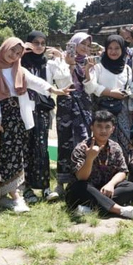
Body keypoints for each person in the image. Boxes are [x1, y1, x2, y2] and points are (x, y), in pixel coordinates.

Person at [0, 37, 71, 213]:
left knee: (16, 155)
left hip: (18, 118)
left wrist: (54, 90)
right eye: (12, 51)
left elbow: (35, 82)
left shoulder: (18, 69)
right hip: (0, 118)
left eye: (18, 53)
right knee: (5, 155)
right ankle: (14, 197)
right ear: (4, 48)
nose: (14, 55)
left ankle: (10, 195)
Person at [65, 110, 133, 219]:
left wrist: (111, 184)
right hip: (85, 191)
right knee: (79, 187)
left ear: (112, 129)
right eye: (99, 126)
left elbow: (122, 171)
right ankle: (119, 210)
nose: (103, 130)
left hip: (105, 190)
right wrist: (89, 158)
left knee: (130, 186)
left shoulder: (115, 147)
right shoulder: (82, 147)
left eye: (107, 127)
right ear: (92, 127)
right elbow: (81, 177)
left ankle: (91, 209)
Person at [47, 32, 95, 196]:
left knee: (82, 141)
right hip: (66, 104)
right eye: (83, 44)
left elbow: (90, 89)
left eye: (88, 45)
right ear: (73, 44)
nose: (85, 48)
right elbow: (61, 82)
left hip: (84, 105)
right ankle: (61, 183)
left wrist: (87, 70)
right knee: (65, 141)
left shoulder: (89, 63)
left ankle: (79, 181)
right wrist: (70, 65)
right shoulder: (58, 61)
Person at [20, 31, 59, 204]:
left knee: (42, 148)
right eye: (35, 42)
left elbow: (63, 78)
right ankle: (25, 188)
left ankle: (45, 187)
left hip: (42, 109)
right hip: (23, 109)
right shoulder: (18, 61)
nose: (39, 46)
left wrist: (60, 57)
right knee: (25, 148)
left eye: (43, 43)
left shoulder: (48, 64)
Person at [83, 34, 133, 159]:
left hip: (121, 109)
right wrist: (87, 72)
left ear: (122, 50)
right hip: (102, 107)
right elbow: (90, 88)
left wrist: (125, 94)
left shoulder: (127, 68)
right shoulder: (99, 66)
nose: (113, 51)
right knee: (102, 137)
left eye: (117, 48)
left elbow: (128, 87)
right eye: (110, 48)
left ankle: (120, 169)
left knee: (123, 138)